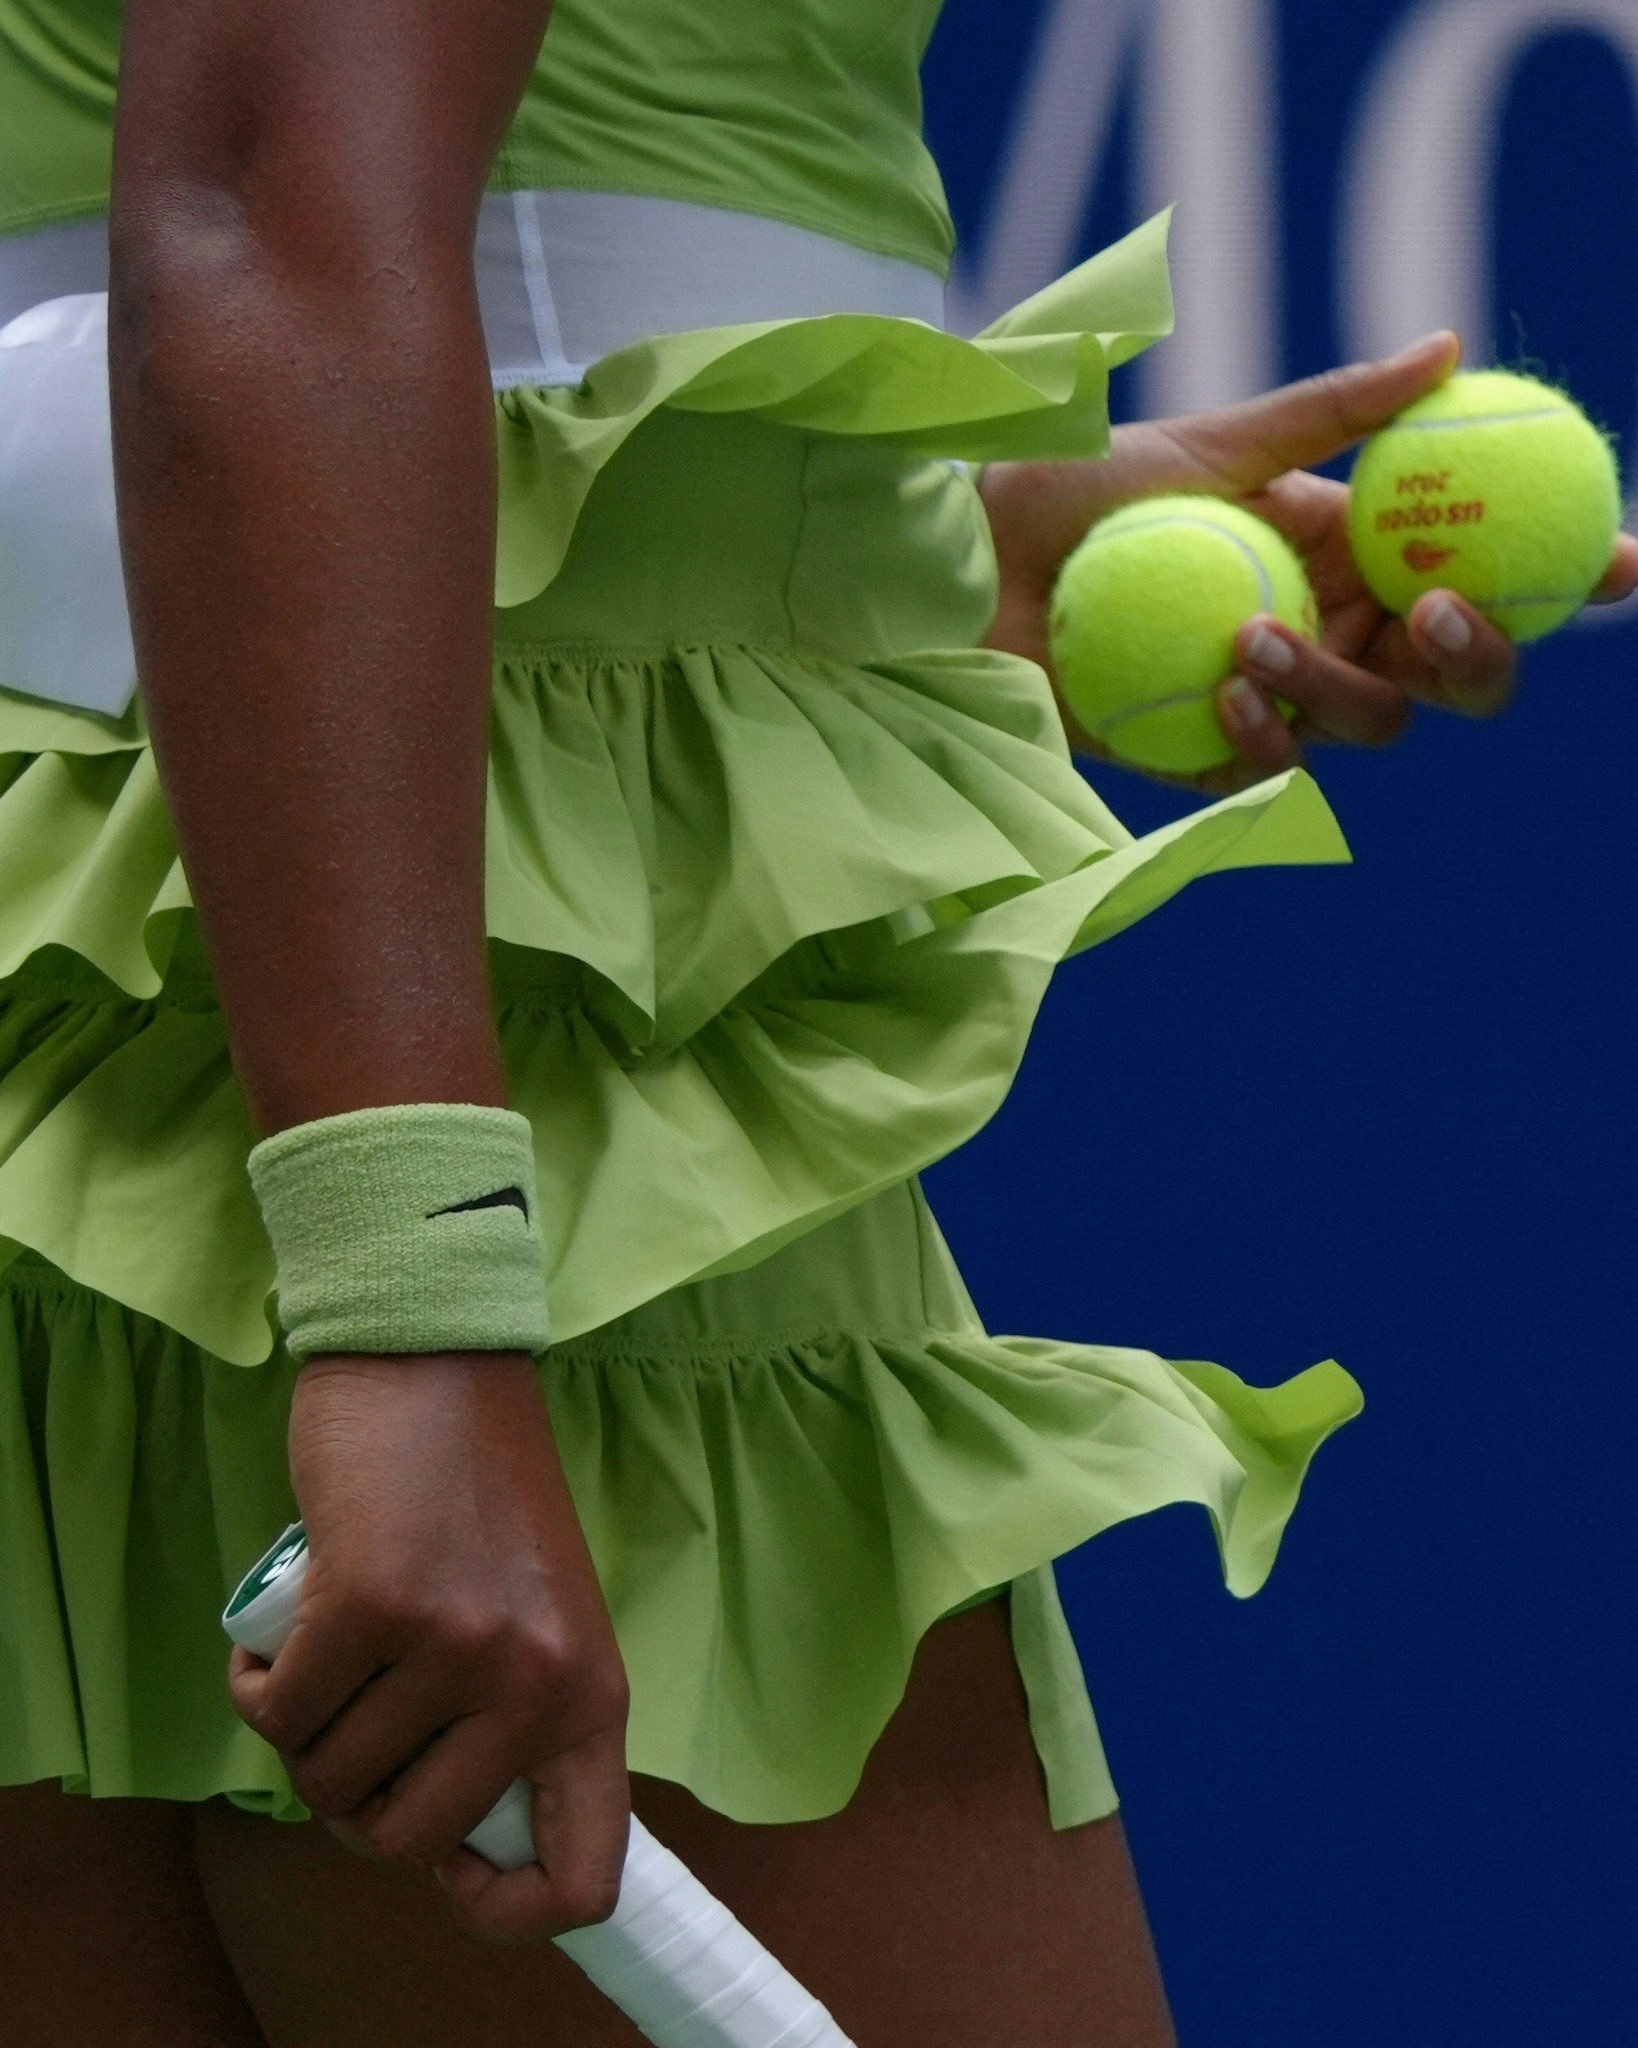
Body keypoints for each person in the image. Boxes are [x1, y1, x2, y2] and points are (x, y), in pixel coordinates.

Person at [1, 3, 1632, 2044]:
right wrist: (407, 1295)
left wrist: (854, 543)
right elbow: (260, 206)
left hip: (93, 1007)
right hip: (484, 1079)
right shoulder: (440, 1237)